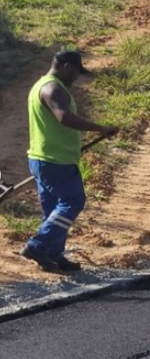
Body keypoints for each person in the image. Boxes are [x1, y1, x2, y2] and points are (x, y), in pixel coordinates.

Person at [20, 50, 119, 272]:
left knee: (53, 210)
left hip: (43, 157)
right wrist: (100, 128)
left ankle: (53, 254)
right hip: (56, 159)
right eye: (75, 71)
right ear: (66, 66)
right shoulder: (52, 88)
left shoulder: (40, 85)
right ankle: (38, 245)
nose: (76, 77)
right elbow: (63, 117)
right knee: (73, 201)